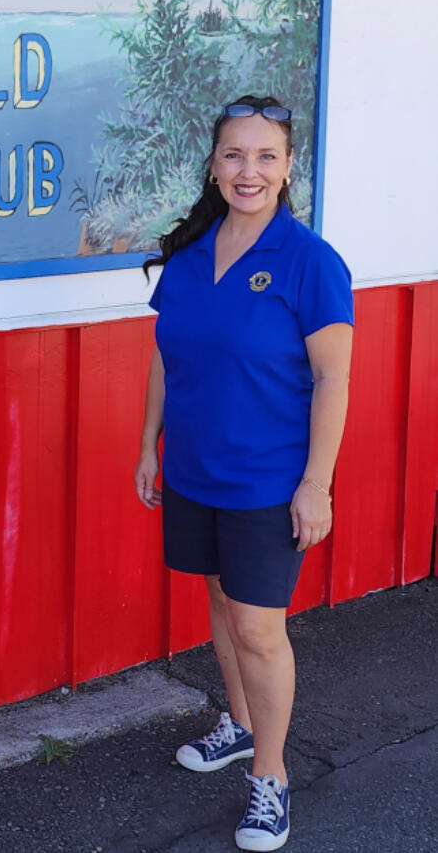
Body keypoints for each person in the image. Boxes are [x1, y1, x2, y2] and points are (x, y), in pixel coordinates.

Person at [133, 96, 353, 852]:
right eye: (234, 155)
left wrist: (316, 482)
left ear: (289, 167)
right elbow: (168, 353)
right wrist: (148, 444)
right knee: (222, 606)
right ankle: (239, 721)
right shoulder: (192, 255)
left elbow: (333, 380)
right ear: (215, 165)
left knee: (260, 628)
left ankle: (271, 776)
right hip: (194, 471)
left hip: (268, 480)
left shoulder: (310, 262)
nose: (248, 170)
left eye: (265, 156)